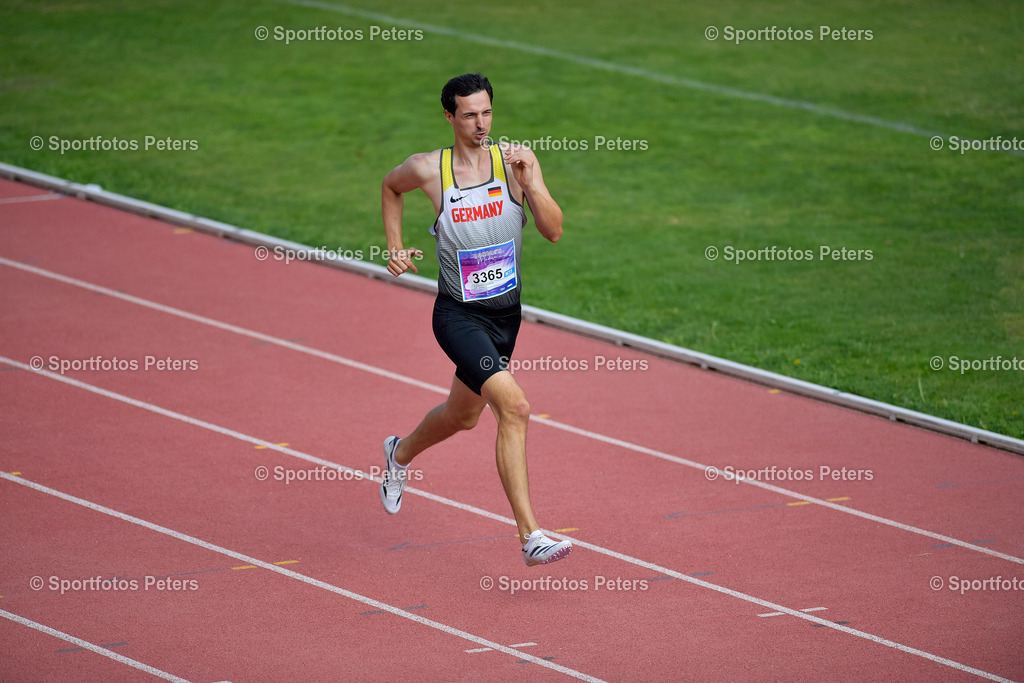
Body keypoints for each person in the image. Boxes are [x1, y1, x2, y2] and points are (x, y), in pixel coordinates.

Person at [378, 73, 571, 566]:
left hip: (506, 316)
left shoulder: (516, 164)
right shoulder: (428, 169)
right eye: (469, 114)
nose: (481, 123)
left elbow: (552, 231)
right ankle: (530, 535)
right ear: (450, 117)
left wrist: (530, 182)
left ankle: (398, 453)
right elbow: (389, 186)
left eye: (487, 112)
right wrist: (395, 248)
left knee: (462, 417)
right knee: (516, 407)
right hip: (458, 315)